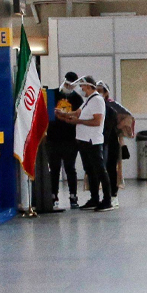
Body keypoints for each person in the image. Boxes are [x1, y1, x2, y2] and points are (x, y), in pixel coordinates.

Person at [73, 76, 114, 211]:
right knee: (90, 170)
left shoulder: (97, 100)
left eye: (82, 86)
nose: (81, 88)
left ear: (89, 86)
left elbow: (97, 121)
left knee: (100, 170)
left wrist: (78, 121)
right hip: (84, 141)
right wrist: (63, 114)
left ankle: (107, 200)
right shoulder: (88, 100)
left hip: (92, 141)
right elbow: (77, 113)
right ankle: (94, 198)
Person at [46, 72, 83, 210]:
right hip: (53, 138)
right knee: (54, 169)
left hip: (70, 139)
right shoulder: (52, 95)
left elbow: (78, 117)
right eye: (67, 85)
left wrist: (63, 115)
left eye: (72, 86)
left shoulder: (78, 99)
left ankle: (73, 196)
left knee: (70, 168)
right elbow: (48, 114)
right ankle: (53, 196)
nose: (69, 88)